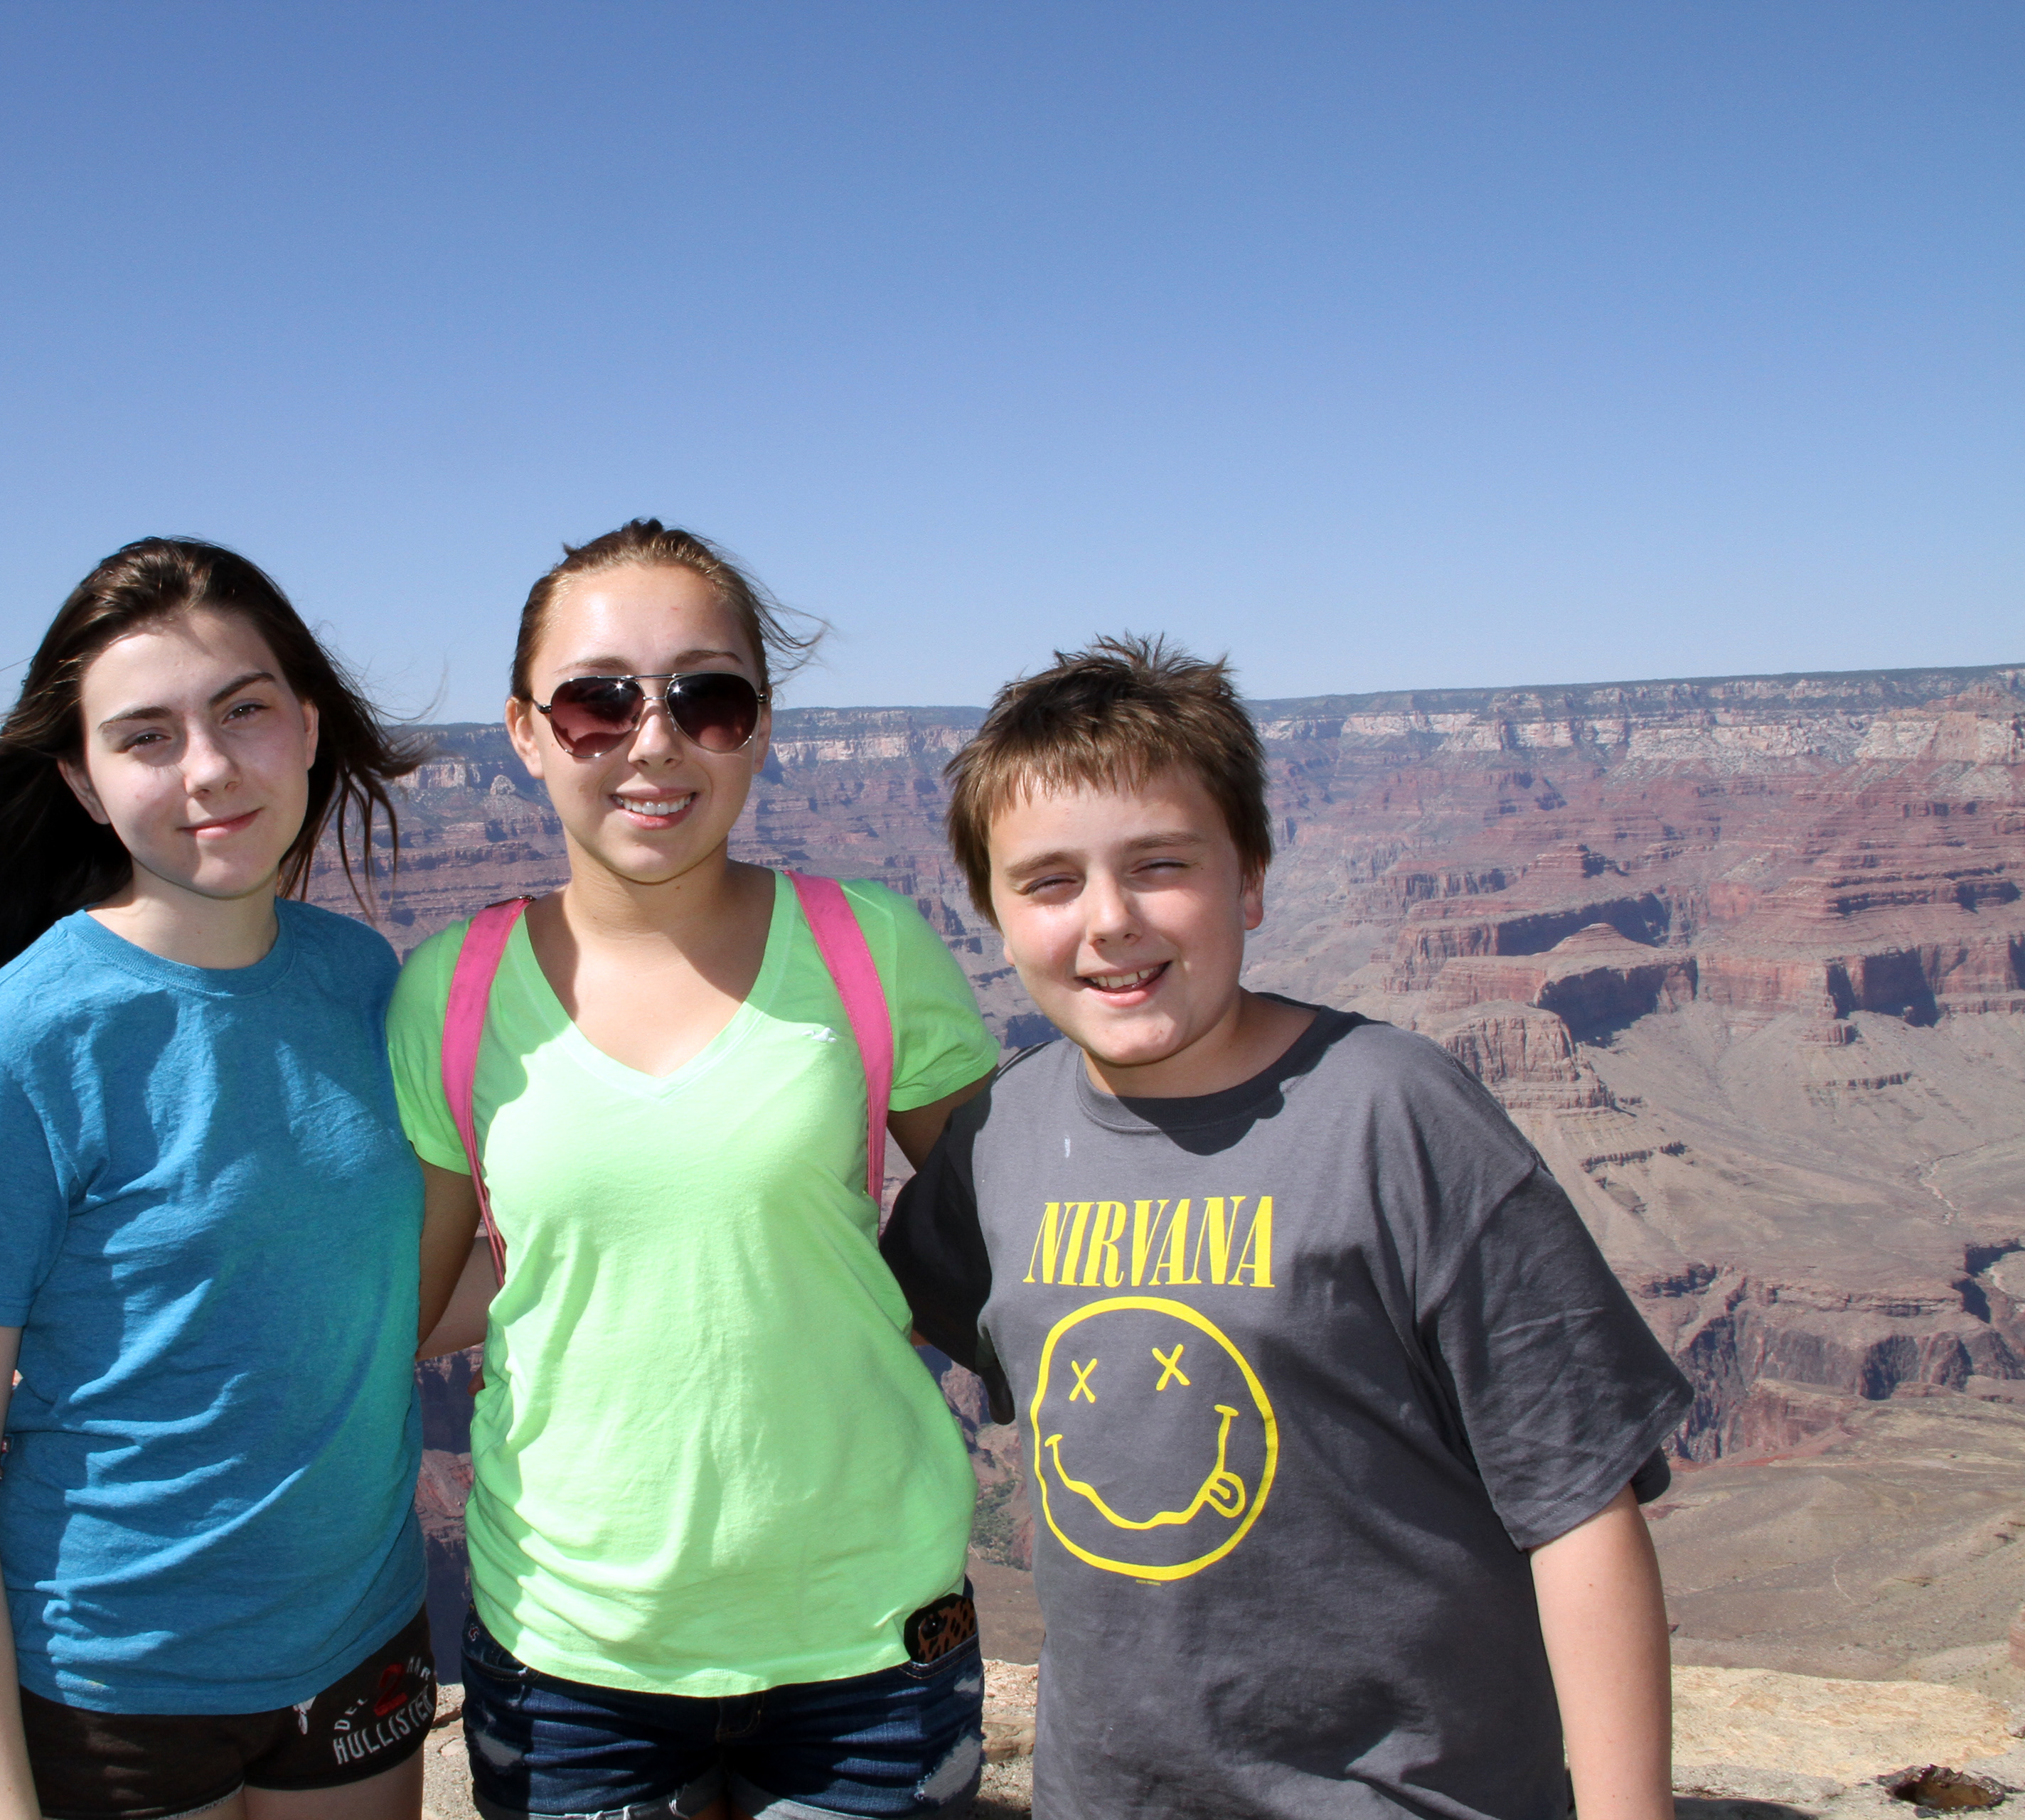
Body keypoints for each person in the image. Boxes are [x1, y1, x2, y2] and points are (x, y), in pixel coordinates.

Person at [879, 636, 1695, 1820]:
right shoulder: (1001, 1137)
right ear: (994, 918)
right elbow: (866, 1338)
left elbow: (1580, 1509)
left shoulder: (1395, 1112)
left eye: (1160, 865)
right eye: (1049, 882)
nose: (1109, 920)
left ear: (1249, 879)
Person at [394, 520, 1002, 1820]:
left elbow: (1022, 1231)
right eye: (598, 701)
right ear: (525, 730)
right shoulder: (453, 992)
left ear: (760, 726)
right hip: (571, 1651)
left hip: (869, 1629)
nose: (653, 740)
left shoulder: (872, 950)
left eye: (705, 697)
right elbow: (428, 1294)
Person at [0, 538, 439, 1820]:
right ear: (81, 778)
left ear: (308, 726)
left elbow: (399, 1299)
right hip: (116, 1687)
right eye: (147, 736)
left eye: (244, 712)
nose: (211, 770)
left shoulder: (364, 982)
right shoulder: (20, 1049)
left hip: (362, 1644)